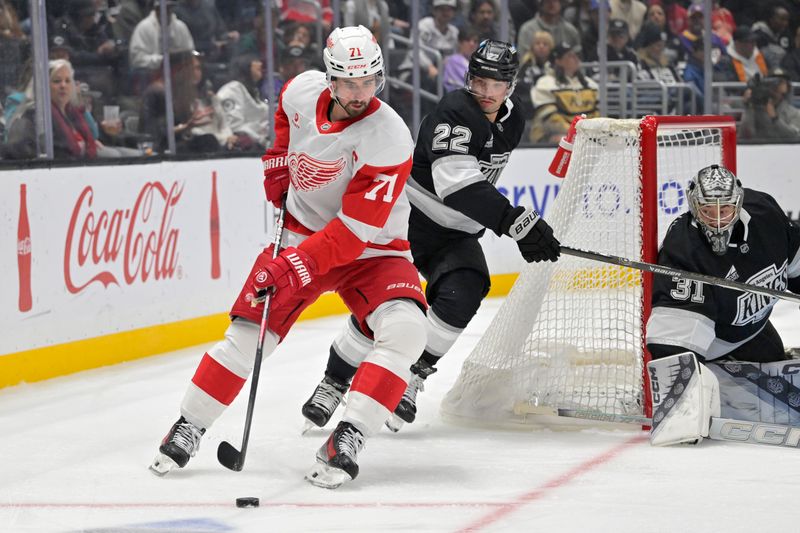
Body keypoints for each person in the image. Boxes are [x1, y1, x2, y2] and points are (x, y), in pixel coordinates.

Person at [149, 25, 428, 490]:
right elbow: (284, 115)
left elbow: (354, 232)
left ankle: (350, 434)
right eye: (350, 83)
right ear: (330, 78)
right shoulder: (301, 90)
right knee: (247, 334)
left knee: (407, 330)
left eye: (369, 82)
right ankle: (189, 423)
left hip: (374, 249)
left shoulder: (390, 138)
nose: (361, 94)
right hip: (298, 233)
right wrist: (278, 160)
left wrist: (294, 265)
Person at [299, 39, 561, 433]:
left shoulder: (513, 118)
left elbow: (476, 187)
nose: (486, 92)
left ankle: (410, 376)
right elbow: (456, 185)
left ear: (511, 86)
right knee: (386, 305)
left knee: (466, 291)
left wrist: (512, 222)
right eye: (479, 81)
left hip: (455, 234)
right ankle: (334, 381)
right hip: (407, 222)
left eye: (496, 84)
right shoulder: (454, 112)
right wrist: (515, 222)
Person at [645, 164, 800, 445]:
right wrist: (682, 403)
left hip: (753, 328)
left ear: (738, 202)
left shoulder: (765, 213)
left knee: (777, 370)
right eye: (708, 211)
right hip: (714, 342)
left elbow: (797, 261)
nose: (717, 220)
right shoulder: (685, 249)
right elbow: (673, 340)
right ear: (694, 207)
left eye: (725, 209)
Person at [530, 43, 598, 144]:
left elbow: (597, 114)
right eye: (570, 56)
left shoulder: (590, 84)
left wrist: (593, 133)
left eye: (576, 55)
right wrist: (577, 134)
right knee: (563, 139)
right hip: (550, 136)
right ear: (558, 61)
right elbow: (550, 120)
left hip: (585, 136)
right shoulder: (545, 84)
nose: (576, 58)